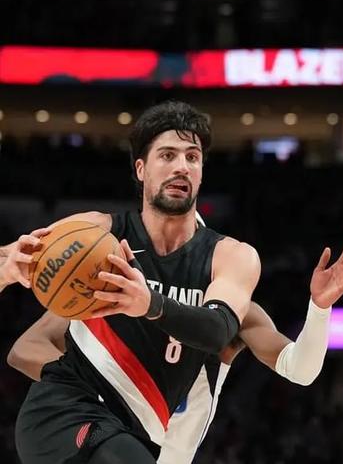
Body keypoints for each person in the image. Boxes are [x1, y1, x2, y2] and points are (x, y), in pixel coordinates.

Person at [2, 100, 259, 464]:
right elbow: (8, 260)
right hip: (64, 411)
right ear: (141, 169)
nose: (182, 166)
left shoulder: (231, 256)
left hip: (136, 429)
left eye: (192, 157)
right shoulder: (96, 233)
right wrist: (7, 271)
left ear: (201, 172)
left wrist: (150, 303)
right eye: (167, 155)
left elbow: (218, 330)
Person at [8, 221, 343, 464]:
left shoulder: (233, 312)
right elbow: (24, 350)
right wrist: (93, 389)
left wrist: (319, 309)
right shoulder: (114, 286)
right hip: (104, 438)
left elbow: (301, 370)